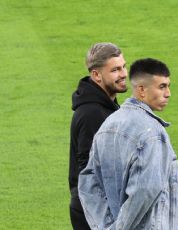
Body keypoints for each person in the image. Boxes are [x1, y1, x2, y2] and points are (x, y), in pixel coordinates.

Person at [78, 58, 178, 230]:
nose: (168, 93)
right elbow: (146, 190)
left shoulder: (108, 125)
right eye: (162, 87)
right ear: (141, 90)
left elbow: (88, 184)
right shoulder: (153, 134)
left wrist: (105, 226)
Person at [69, 42, 128, 230]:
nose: (124, 74)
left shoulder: (107, 107)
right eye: (116, 70)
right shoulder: (92, 113)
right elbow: (89, 169)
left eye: (124, 66)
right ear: (96, 75)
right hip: (95, 211)